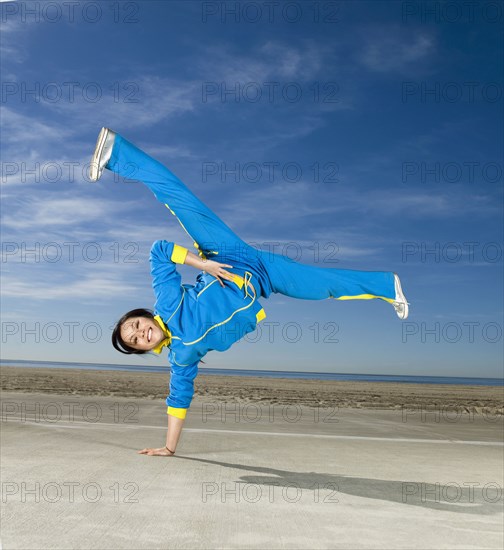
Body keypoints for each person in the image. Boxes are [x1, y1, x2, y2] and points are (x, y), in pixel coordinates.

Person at [89, 128, 409, 457]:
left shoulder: (167, 303)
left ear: (143, 316)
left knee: (176, 196)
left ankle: (115, 152)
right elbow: (178, 400)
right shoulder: (181, 357)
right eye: (136, 340)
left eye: (136, 325)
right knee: (322, 286)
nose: (141, 332)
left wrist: (204, 265)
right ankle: (388, 286)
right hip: (262, 278)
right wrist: (169, 448)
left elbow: (159, 251)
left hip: (224, 254)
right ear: (144, 349)